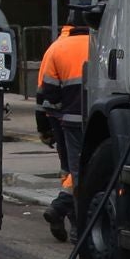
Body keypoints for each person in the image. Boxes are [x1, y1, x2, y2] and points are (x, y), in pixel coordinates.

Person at [36, 22, 90, 241]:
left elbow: (46, 93)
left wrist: (44, 129)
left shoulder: (56, 48)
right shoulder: (101, 42)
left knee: (71, 171)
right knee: (85, 173)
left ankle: (67, 216)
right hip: (100, 118)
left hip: (68, 120)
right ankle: (75, 224)